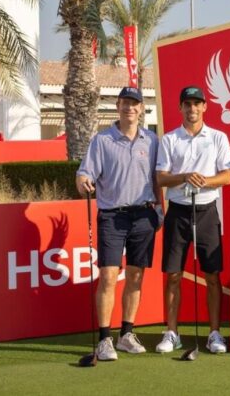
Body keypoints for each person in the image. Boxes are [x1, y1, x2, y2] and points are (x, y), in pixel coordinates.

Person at [75, 86, 163, 361]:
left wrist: (160, 210)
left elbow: (158, 179)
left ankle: (126, 334)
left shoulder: (152, 140)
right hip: (113, 216)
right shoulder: (102, 140)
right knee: (108, 276)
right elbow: (84, 174)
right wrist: (83, 182)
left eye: (134, 103)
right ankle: (105, 339)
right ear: (118, 106)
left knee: (136, 276)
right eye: (125, 103)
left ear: (141, 108)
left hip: (144, 215)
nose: (129, 108)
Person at [155, 85, 230, 354]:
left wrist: (204, 180)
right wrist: (185, 176)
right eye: (187, 104)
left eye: (197, 104)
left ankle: (214, 333)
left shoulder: (218, 137)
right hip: (177, 212)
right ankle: (172, 333)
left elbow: (227, 176)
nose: (192, 109)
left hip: (207, 211)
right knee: (173, 275)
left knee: (212, 275)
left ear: (204, 107)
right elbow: (161, 178)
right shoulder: (169, 139)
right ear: (180, 107)